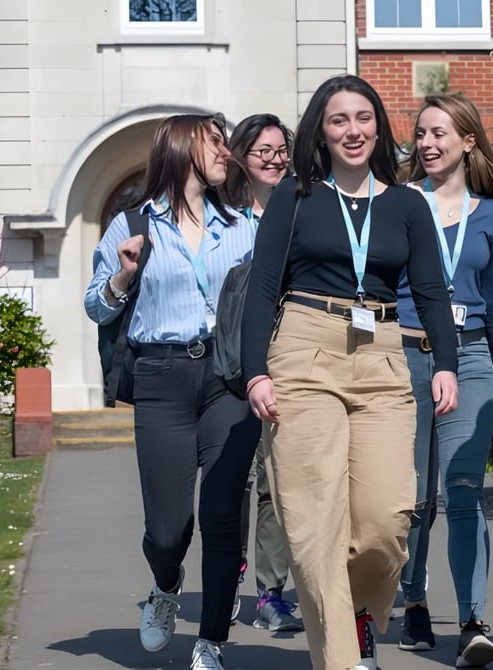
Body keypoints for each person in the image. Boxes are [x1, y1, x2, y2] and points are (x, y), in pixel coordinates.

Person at [239, 74, 460, 670]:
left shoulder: (407, 204)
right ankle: (341, 657)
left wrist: (445, 363)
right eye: (339, 120)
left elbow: (432, 292)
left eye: (363, 118)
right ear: (321, 131)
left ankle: (356, 607)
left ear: (379, 128)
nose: (353, 130)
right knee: (315, 523)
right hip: (304, 351)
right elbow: (262, 287)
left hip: (382, 355)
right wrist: (256, 372)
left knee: (388, 518)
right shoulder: (295, 196)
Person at [84, 113, 263, 670]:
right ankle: (166, 585)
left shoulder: (241, 225)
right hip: (161, 377)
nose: (226, 152)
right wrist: (122, 277)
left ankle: (210, 641)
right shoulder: (132, 224)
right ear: (183, 147)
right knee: (167, 530)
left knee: (222, 510)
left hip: (227, 378)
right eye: (215, 143)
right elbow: (95, 305)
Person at [395, 94, 493, 667]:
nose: (427, 143)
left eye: (439, 133)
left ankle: (471, 622)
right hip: (405, 356)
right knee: (416, 497)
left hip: (469, 358)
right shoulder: (398, 203)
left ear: (468, 142)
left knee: (463, 488)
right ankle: (414, 601)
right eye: (421, 133)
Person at [221, 113, 304, 633]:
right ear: (241, 157)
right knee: (235, 482)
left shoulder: (300, 215)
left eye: (281, 151)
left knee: (276, 481)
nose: (275, 160)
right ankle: (228, 573)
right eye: (264, 151)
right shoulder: (223, 223)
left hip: (286, 362)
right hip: (231, 368)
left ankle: (269, 593)